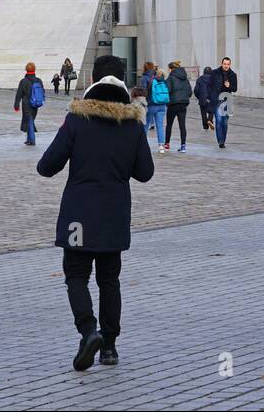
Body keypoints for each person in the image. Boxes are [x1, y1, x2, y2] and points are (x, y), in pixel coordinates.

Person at [37, 54, 154, 372]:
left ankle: (89, 331)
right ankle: (110, 347)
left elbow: (46, 166)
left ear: (93, 82)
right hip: (114, 214)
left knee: (76, 275)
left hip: (78, 214)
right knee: (109, 280)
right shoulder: (133, 125)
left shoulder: (77, 120)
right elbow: (145, 173)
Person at [164, 61, 192, 153]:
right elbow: (190, 92)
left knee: (169, 125)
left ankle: (167, 144)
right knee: (182, 125)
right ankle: (183, 146)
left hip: (173, 103)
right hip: (183, 103)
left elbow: (167, 90)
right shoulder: (185, 78)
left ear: (171, 69)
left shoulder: (171, 77)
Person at [14, 62, 45, 146]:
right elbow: (43, 92)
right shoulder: (39, 80)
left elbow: (19, 94)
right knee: (30, 120)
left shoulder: (23, 81)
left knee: (29, 121)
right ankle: (28, 139)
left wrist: (16, 105)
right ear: (34, 69)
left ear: (26, 70)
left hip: (26, 104)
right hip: (36, 104)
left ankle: (32, 140)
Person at [210, 57, 238, 148]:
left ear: (230, 65)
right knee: (218, 121)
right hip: (218, 99)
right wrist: (210, 97)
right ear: (222, 64)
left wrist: (229, 86)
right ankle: (220, 142)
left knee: (225, 122)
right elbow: (209, 85)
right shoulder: (215, 73)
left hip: (227, 99)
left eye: (228, 64)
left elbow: (235, 89)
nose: (226, 66)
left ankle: (223, 140)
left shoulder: (233, 75)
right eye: (224, 64)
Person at [148, 68, 170, 152]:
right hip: (163, 105)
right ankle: (161, 146)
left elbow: (149, 92)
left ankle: (144, 143)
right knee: (160, 126)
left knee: (146, 125)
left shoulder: (153, 80)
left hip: (153, 104)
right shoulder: (165, 82)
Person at [194, 66, 216, 132]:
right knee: (211, 111)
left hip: (202, 99)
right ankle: (210, 120)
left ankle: (205, 126)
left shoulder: (199, 79)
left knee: (203, 113)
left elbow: (196, 90)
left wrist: (199, 97)